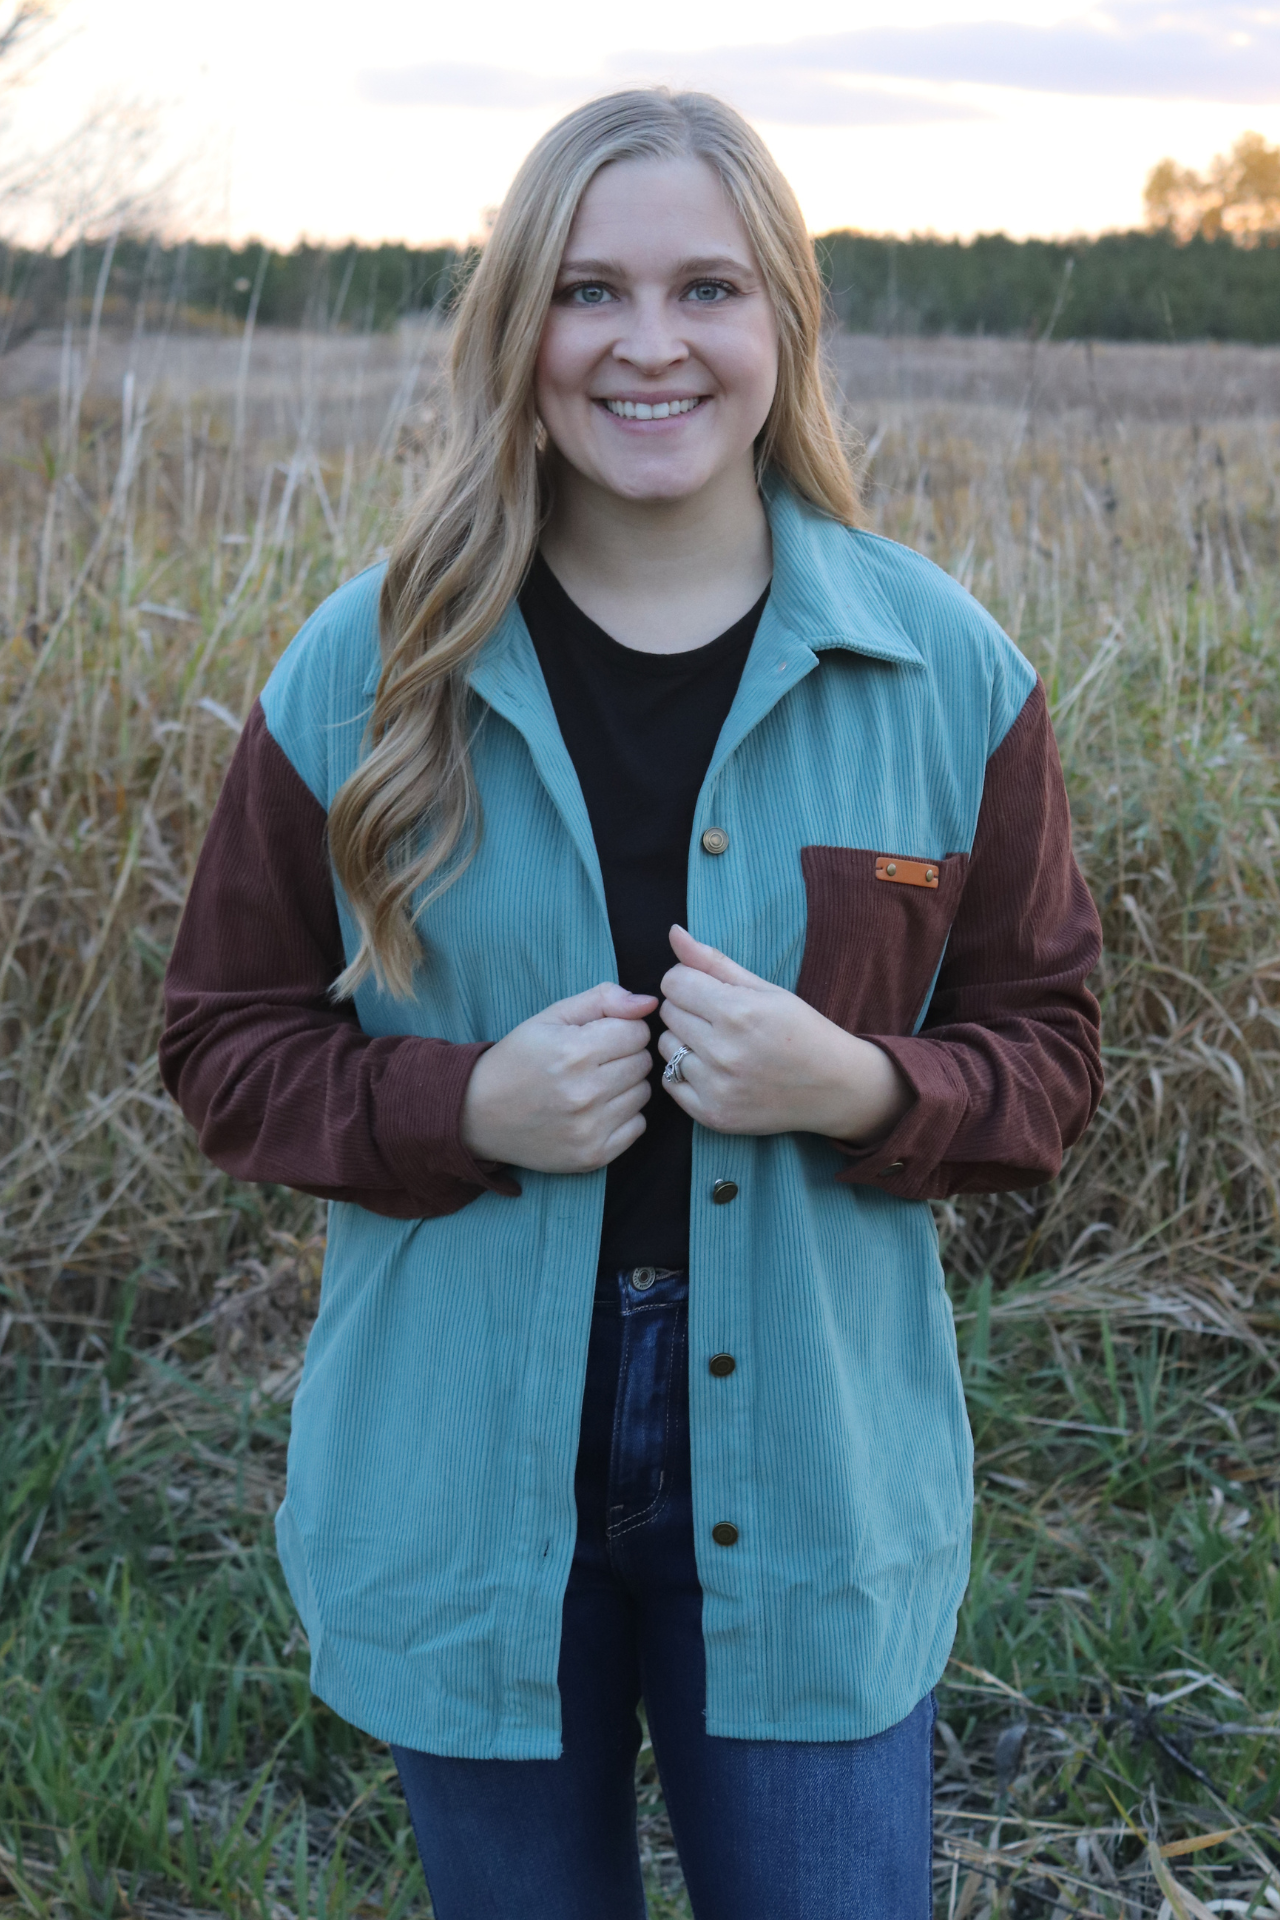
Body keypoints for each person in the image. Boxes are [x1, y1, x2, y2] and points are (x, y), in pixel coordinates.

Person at [160, 88, 1103, 1920]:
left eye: (708, 290)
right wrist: (456, 1109)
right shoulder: (362, 668)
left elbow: (1050, 1056)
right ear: (520, 326)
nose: (649, 345)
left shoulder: (947, 673)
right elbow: (221, 1040)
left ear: (784, 328)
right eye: (591, 291)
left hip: (821, 1476)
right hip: (461, 1462)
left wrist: (857, 1083)